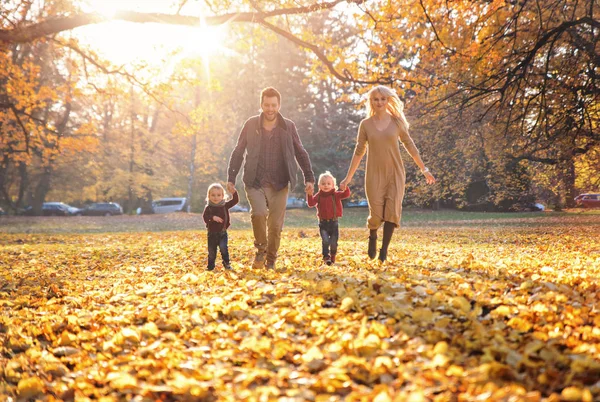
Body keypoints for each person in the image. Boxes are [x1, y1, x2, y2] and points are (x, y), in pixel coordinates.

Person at [339, 85, 436, 262]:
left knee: (392, 212)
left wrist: (425, 169)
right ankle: (373, 236)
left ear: (388, 100)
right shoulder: (365, 125)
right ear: (371, 102)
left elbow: (410, 146)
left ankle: (384, 250)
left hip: (395, 173)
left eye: (383, 99)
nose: (379, 102)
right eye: (376, 99)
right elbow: (359, 151)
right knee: (376, 214)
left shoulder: (397, 122)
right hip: (374, 174)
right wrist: (348, 177)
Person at [227, 87, 315, 270]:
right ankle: (261, 250)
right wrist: (231, 177)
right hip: (255, 180)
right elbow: (238, 150)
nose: (270, 109)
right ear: (261, 105)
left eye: (273, 105)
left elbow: (300, 151)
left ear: (279, 105)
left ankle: (271, 258)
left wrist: (309, 177)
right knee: (258, 214)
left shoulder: (288, 126)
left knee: (275, 225)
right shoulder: (250, 124)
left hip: (279, 182)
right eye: (266, 105)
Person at [306, 171, 351, 265]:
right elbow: (311, 204)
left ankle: (333, 255)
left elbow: (346, 195)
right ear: (319, 186)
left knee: (334, 242)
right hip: (323, 223)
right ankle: (326, 257)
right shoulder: (318, 196)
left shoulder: (336, 194)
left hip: (334, 222)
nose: (326, 186)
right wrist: (309, 194)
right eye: (323, 184)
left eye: (328, 184)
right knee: (325, 241)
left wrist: (345, 188)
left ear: (333, 185)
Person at [202, 183, 239, 271]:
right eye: (213, 195)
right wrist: (212, 217)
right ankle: (210, 267)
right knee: (211, 252)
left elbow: (235, 201)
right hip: (211, 234)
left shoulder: (224, 205)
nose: (216, 197)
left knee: (223, 249)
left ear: (223, 196)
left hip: (222, 233)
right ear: (209, 196)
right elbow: (205, 217)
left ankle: (226, 264)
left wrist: (234, 192)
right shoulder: (208, 208)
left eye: (218, 195)